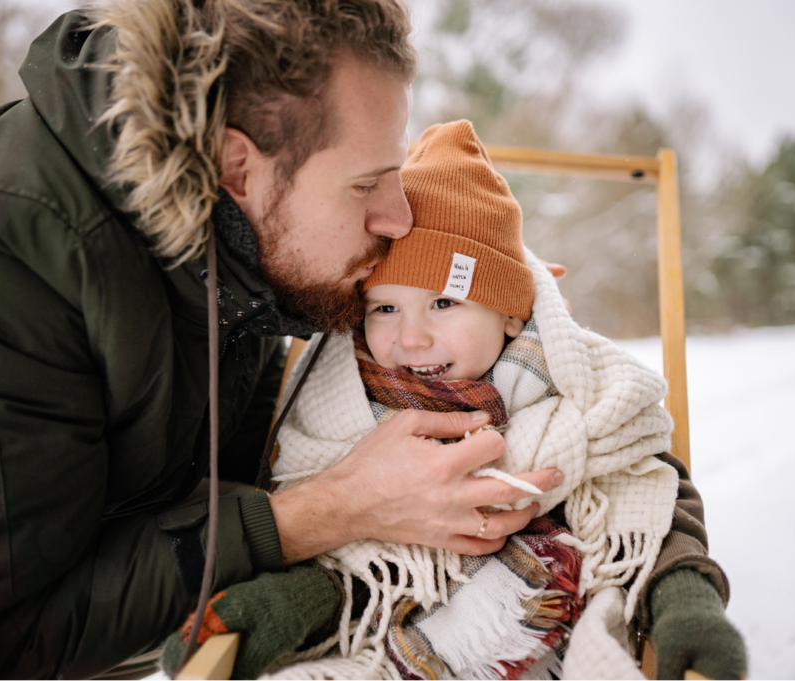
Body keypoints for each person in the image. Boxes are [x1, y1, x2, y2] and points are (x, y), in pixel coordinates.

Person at [0, 0, 728, 678]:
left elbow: (261, 460)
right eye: (369, 184)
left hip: (106, 548)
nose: (394, 218)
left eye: (397, 176)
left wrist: (498, 300)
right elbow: (19, 629)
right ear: (236, 164)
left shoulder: (251, 247)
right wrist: (328, 510)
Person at [165, 120, 743, 679]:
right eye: (384, 309)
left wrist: (684, 593)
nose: (411, 337)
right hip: (388, 611)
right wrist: (287, 603)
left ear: (513, 313)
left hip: (550, 614)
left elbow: (649, 491)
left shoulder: (575, 394)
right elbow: (348, 554)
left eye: (444, 304)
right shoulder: (346, 403)